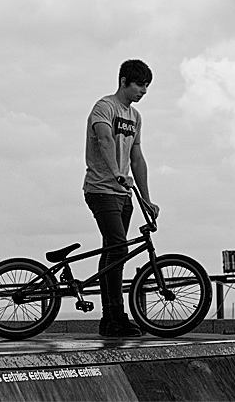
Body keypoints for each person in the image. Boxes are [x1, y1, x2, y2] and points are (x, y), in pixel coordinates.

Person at [83, 59, 160, 337]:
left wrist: (147, 200)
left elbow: (137, 158)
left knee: (112, 253)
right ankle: (116, 316)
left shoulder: (135, 117)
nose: (144, 91)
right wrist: (117, 173)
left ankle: (110, 319)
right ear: (124, 81)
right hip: (100, 190)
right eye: (139, 85)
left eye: (147, 86)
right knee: (118, 249)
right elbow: (105, 140)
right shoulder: (104, 107)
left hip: (122, 194)